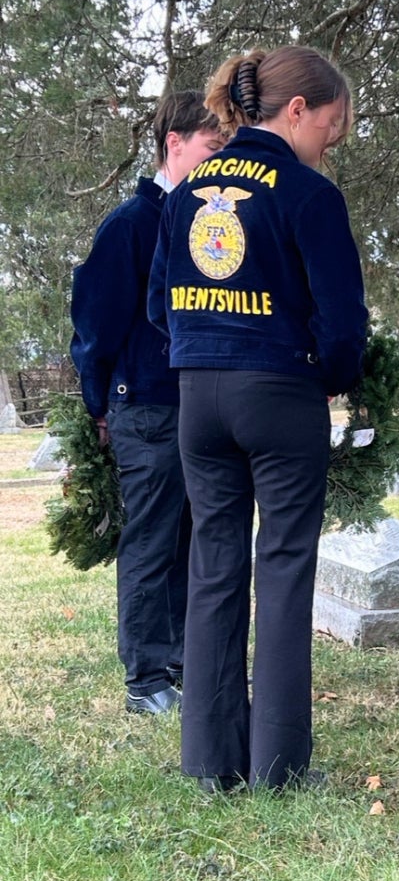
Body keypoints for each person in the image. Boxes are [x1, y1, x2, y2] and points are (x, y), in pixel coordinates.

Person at [147, 46, 369, 793]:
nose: (329, 146)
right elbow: (343, 325)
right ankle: (278, 767)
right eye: (330, 128)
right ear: (297, 110)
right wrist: (330, 381)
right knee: (282, 569)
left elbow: (156, 307)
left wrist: (200, 346)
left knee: (213, 568)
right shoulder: (308, 196)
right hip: (279, 393)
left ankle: (210, 764)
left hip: (197, 396)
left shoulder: (183, 194)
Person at [70, 91, 225, 716]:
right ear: (175, 143)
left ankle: (187, 665)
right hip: (146, 409)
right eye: (212, 148)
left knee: (196, 542)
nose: (219, 161)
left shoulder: (211, 222)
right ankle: (144, 678)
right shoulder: (130, 225)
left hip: (201, 407)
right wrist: (99, 405)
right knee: (152, 542)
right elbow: (95, 326)